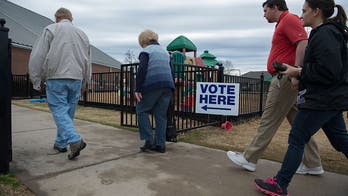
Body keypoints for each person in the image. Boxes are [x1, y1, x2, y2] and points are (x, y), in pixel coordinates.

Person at [255, 0, 348, 195]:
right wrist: (298, 72)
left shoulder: (325, 34)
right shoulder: (325, 33)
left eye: (304, 11)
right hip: (330, 100)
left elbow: (329, 70)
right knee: (340, 141)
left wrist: (297, 72)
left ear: (316, 11)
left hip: (322, 100)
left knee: (297, 138)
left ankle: (279, 183)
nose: (301, 15)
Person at [226, 0, 324, 174]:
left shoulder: (289, 19)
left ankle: (249, 158)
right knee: (299, 125)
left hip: (284, 78)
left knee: (268, 119)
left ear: (275, 7)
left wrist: (297, 72)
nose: (264, 14)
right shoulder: (283, 22)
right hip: (286, 78)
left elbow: (303, 42)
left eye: (265, 10)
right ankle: (313, 164)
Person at [29, 8, 91, 160]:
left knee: (59, 109)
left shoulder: (51, 29)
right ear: (71, 18)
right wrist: (86, 82)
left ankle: (74, 140)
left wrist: (36, 79)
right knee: (68, 112)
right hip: (77, 78)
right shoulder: (82, 34)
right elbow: (88, 60)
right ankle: (61, 143)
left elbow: (38, 56)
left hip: (56, 76)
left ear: (56, 18)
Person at [135, 30, 175, 153]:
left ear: (143, 41)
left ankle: (149, 140)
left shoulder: (146, 51)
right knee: (161, 115)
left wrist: (138, 88)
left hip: (153, 84)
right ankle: (160, 145)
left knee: (141, 110)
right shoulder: (165, 53)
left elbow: (142, 70)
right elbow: (171, 71)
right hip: (168, 85)